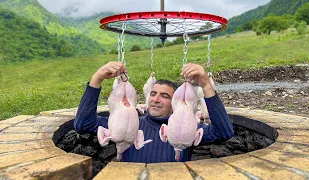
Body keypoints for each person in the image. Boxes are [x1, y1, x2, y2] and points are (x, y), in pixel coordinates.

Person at [74, 61, 233, 163]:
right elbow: (83, 124)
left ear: (175, 103)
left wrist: (205, 84)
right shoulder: (130, 123)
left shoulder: (188, 129)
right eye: (153, 94)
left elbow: (224, 132)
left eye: (164, 96)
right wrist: (97, 79)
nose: (156, 99)